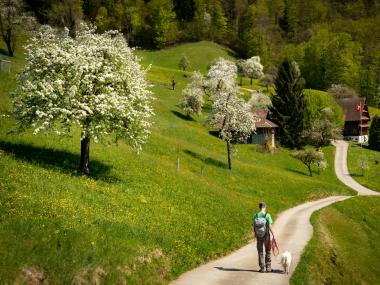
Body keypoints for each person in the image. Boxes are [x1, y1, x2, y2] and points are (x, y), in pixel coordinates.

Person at [253, 201, 275, 273]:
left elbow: (254, 227)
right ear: (264, 207)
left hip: (258, 236)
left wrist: (255, 235)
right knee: (268, 251)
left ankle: (262, 268)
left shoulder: (255, 215)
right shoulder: (267, 215)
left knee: (260, 252)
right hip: (266, 236)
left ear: (259, 207)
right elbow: (270, 226)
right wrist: (273, 234)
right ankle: (268, 268)